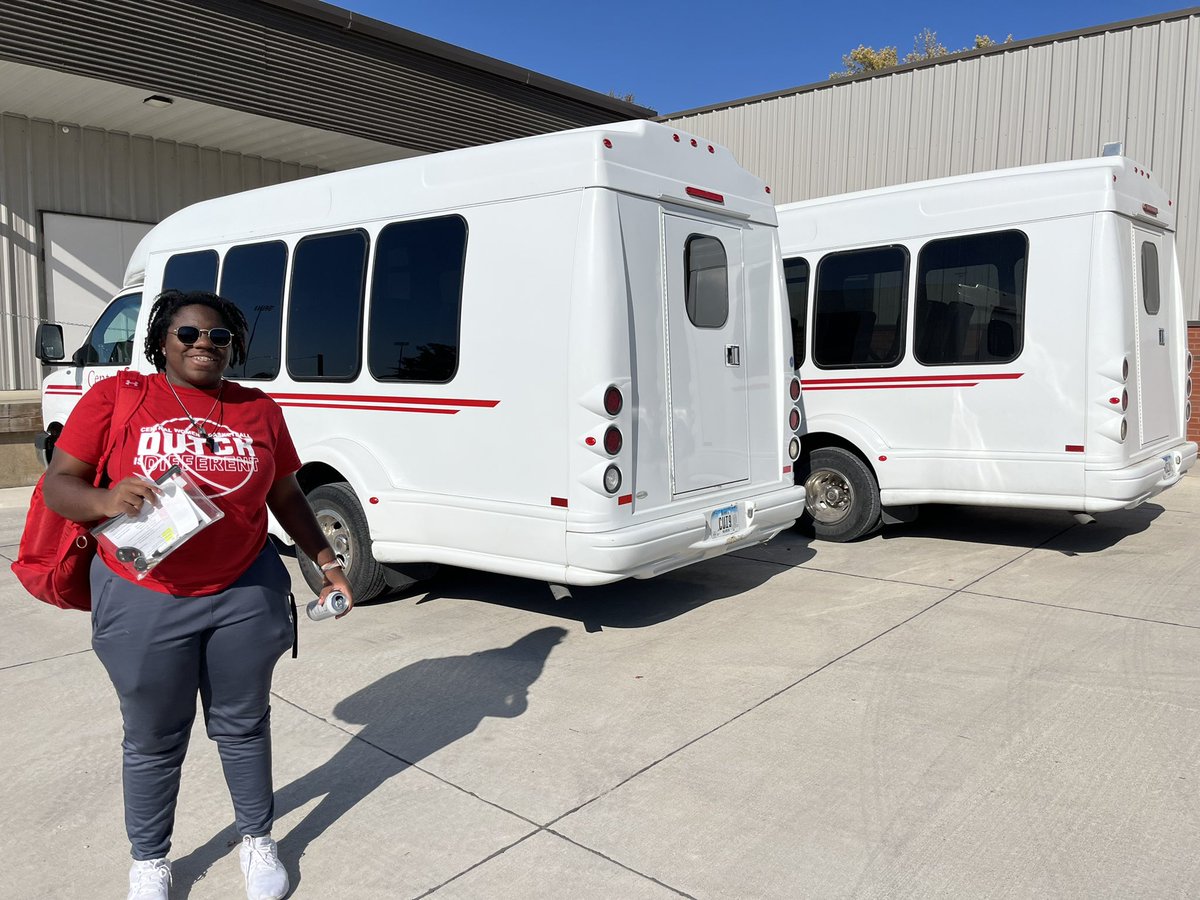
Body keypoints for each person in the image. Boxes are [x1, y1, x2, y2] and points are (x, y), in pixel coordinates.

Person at [43, 289, 354, 900]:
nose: (203, 345)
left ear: (233, 346)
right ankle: (150, 859)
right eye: (188, 333)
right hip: (144, 593)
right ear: (161, 339)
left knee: (243, 725)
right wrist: (106, 500)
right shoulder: (117, 398)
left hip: (243, 590)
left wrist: (325, 560)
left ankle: (257, 840)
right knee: (154, 735)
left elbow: (286, 496)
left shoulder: (257, 409)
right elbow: (59, 483)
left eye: (218, 337)